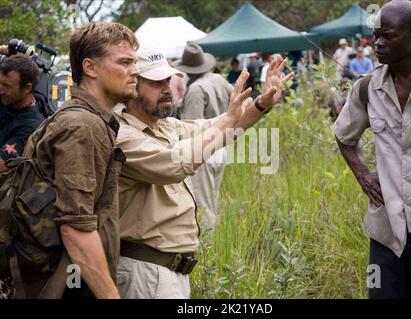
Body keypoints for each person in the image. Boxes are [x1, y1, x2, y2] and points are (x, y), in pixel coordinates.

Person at [114, 47, 294, 299]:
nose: (167, 88)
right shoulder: (123, 135)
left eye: (168, 79)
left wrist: (262, 103)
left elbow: (222, 125)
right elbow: (176, 164)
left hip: (168, 270)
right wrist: (227, 122)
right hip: (145, 271)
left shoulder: (164, 125)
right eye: (156, 82)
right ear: (132, 86)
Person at [2, 22, 139, 299]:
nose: (135, 71)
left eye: (134, 62)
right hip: (67, 282)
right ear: (90, 68)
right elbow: (76, 230)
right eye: (125, 62)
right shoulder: (82, 126)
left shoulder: (84, 118)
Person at [334, 0, 411, 298]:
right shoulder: (367, 88)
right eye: (376, 35)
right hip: (386, 234)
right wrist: (362, 174)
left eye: (388, 35)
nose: (378, 43)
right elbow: (344, 136)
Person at [174, 43, 233, 228]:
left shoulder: (196, 90)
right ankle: (212, 243)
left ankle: (206, 247)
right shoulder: (219, 80)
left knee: (201, 204)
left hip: (203, 150)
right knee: (212, 199)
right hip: (220, 146)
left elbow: (191, 127)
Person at [0, 54, 44, 173]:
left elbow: (2, 165)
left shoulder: (31, 127)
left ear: (27, 88)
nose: (1, 89)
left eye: (6, 85)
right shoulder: (6, 100)